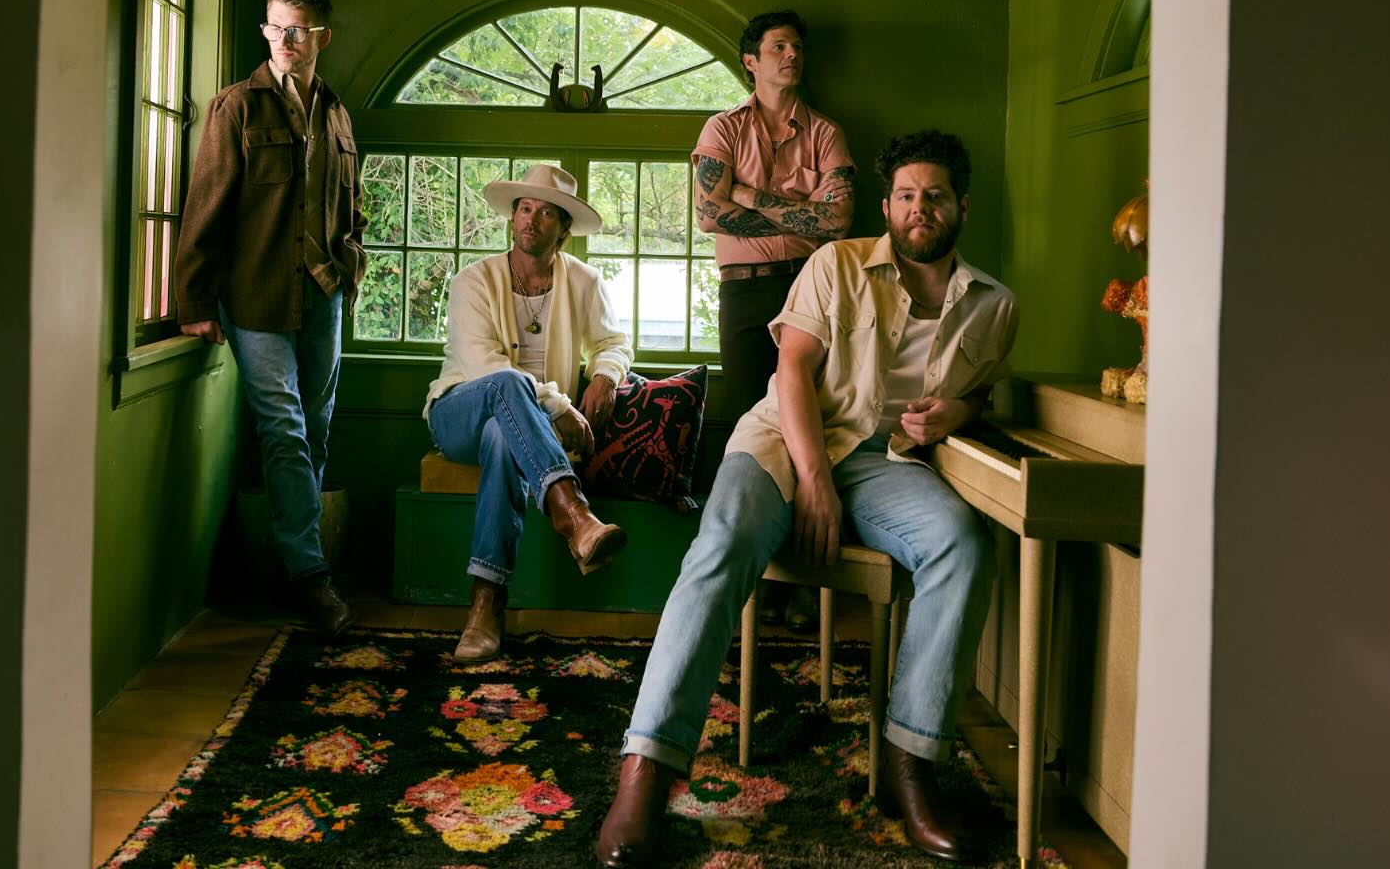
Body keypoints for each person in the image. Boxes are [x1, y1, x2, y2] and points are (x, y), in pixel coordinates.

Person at [596, 131, 1018, 866]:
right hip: (783, 442)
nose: (920, 208)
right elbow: (791, 370)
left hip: (883, 462)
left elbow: (977, 393)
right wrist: (814, 481)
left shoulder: (994, 306)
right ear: (887, 206)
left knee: (962, 543)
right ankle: (648, 767)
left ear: (962, 207)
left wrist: (959, 411)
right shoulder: (836, 264)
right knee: (723, 542)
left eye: (935, 196)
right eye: (907, 195)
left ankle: (910, 765)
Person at [174, 0, 363, 639]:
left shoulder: (337, 114)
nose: (286, 39)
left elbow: (352, 211)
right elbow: (205, 205)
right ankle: (310, 576)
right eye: (276, 26)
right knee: (283, 428)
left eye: (299, 28)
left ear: (321, 37)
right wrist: (195, 300)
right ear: (265, 30)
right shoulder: (236, 107)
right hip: (255, 297)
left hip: (323, 294)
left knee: (316, 429)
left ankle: (295, 562)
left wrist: (349, 269)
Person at [424, 164, 634, 663]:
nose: (530, 219)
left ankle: (485, 605)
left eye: (545, 213)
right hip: (458, 413)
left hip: (519, 431)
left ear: (564, 229)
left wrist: (605, 375)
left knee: (505, 437)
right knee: (507, 384)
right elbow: (485, 367)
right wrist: (560, 406)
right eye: (523, 208)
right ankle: (574, 515)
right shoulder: (473, 281)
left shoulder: (583, 281)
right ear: (512, 217)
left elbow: (613, 342)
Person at [693, 10, 857, 632]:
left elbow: (837, 221)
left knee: (811, 426)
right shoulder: (723, 128)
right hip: (745, 292)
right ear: (751, 61)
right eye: (779, 46)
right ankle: (756, 579)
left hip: (812, 288)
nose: (792, 55)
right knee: (750, 431)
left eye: (798, 47)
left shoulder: (826, 133)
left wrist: (748, 196)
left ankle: (804, 581)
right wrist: (796, 209)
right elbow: (708, 214)